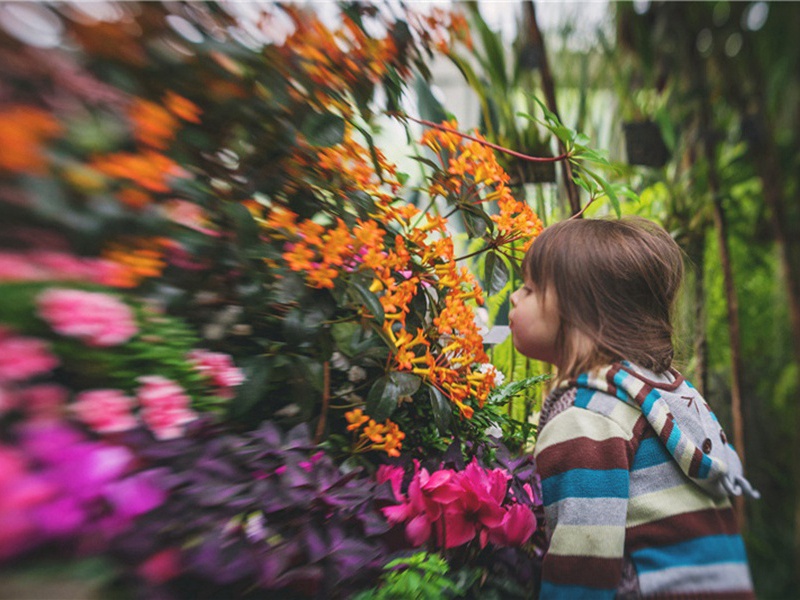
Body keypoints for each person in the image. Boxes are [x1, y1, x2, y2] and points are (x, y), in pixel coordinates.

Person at [509, 217, 759, 599]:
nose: (514, 297)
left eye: (529, 288)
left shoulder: (587, 416)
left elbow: (583, 566)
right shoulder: (667, 395)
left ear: (580, 313)